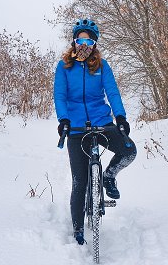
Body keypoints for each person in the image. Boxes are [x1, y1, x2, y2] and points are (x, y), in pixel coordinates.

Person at [54, 19, 137, 245]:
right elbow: (60, 96)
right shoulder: (64, 67)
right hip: (76, 128)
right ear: (74, 41)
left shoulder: (102, 66)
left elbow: (113, 92)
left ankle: (108, 177)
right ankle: (78, 229)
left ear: (95, 43)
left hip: (102, 123)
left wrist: (120, 117)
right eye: (81, 39)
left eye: (89, 40)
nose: (84, 44)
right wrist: (64, 120)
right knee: (80, 182)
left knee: (129, 150)